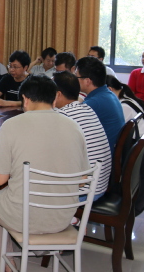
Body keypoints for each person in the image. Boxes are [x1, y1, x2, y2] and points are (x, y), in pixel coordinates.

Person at [0, 75, 89, 270]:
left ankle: (7, 267)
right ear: (55, 98)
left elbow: (0, 179)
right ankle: (42, 247)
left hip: (24, 217)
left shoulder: (11, 125)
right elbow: (82, 181)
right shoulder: (74, 127)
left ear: (25, 99)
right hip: (62, 217)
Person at [53, 71, 111, 201]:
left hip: (83, 193)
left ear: (58, 94)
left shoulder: (63, 116)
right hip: (99, 186)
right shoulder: (87, 109)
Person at [75, 57, 125, 153]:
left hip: (101, 156)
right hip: (110, 152)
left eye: (76, 77)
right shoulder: (108, 94)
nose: (75, 80)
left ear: (87, 81)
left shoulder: (94, 103)